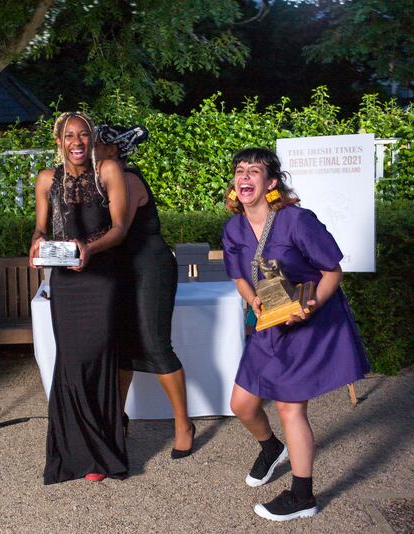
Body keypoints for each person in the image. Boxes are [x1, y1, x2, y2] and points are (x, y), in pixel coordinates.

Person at [222, 147, 370, 521]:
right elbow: (239, 275)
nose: (245, 177)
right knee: (241, 404)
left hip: (308, 322)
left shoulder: (297, 221)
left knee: (290, 406)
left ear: (271, 182)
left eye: (254, 171)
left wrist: (310, 307)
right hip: (268, 322)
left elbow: (332, 271)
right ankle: (272, 449)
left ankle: (303, 496)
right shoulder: (233, 228)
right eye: (240, 170)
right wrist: (253, 301)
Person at [29, 112, 130, 484]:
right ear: (59, 141)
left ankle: (103, 452)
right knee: (70, 362)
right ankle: (74, 453)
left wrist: (87, 248)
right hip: (66, 285)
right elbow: (41, 225)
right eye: (69, 135)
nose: (77, 141)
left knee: (97, 359)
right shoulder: (45, 179)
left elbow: (120, 228)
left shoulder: (108, 170)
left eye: (83, 134)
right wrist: (37, 241)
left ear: (91, 138)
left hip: (101, 280)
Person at [95, 124, 195, 458]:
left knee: (155, 343)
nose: (88, 146)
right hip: (119, 270)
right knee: (121, 346)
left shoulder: (128, 178)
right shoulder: (99, 179)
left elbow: (114, 229)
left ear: (113, 150)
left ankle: (183, 423)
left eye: (95, 142)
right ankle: (116, 420)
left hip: (150, 266)